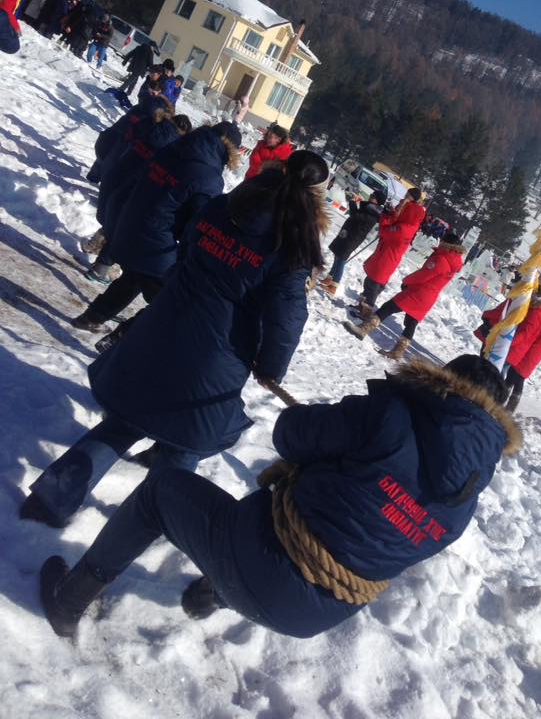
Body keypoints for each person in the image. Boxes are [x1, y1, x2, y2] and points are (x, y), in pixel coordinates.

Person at [35, 353, 522, 640]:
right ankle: (213, 594)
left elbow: (290, 435)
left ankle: (68, 602)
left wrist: (333, 427)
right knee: (303, 531)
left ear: (439, 384)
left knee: (161, 492)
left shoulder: (390, 417)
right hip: (314, 618)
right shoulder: (465, 503)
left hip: (263, 565)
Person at [22, 151, 329, 539]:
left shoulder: (223, 208)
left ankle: (48, 500)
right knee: (184, 450)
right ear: (317, 197)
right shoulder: (291, 248)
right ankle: (123, 545)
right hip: (213, 359)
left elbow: (186, 252)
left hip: (164, 325)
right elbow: (286, 320)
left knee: (125, 422)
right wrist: (270, 367)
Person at [72, 122, 243, 332]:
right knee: (169, 299)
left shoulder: (174, 148)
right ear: (231, 150)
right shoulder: (208, 176)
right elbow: (197, 222)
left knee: (135, 276)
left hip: (131, 221)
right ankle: (122, 338)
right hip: (156, 238)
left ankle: (92, 317)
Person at [87, 110, 193, 283]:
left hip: (114, 175)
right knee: (122, 228)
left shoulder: (151, 127)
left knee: (114, 223)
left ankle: (97, 247)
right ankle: (100, 268)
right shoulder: (170, 146)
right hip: (129, 188)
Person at [345, 232, 465, 360]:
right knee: (411, 323)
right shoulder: (453, 260)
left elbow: (423, 275)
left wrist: (406, 280)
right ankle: (398, 352)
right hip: (428, 297)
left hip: (418, 292)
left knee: (388, 307)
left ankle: (364, 329)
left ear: (445, 243)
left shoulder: (442, 259)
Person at [356, 188, 426, 316]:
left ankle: (366, 310)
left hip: (388, 256)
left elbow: (386, 231)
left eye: (408, 196)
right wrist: (389, 213)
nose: (404, 198)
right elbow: (391, 222)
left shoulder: (407, 227)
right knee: (370, 280)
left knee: (374, 282)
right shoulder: (403, 214)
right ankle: (362, 305)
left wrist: (387, 219)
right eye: (405, 194)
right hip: (384, 251)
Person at [318, 189, 385, 296]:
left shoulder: (374, 213)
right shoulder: (368, 208)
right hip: (348, 233)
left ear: (378, 201)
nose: (370, 196)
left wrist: (353, 203)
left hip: (354, 237)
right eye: (371, 194)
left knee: (341, 258)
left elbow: (355, 216)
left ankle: (334, 285)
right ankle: (330, 277)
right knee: (337, 254)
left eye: (373, 196)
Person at [504, 299, 541, 412]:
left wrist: (534, 332)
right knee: (512, 374)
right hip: (529, 351)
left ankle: (510, 406)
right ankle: (503, 397)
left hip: (533, 354)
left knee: (519, 378)